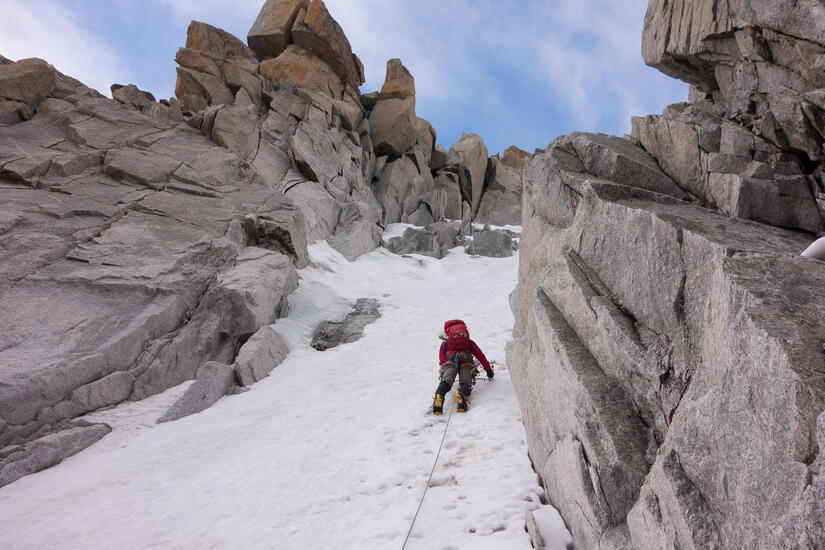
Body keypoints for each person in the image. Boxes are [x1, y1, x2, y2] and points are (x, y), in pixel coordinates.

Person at [433, 319, 493, 415]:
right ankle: (461, 394)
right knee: (465, 382)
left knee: (447, 381)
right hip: (466, 361)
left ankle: (439, 395)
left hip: (450, 361)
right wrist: (488, 370)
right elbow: (480, 355)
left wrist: (445, 368)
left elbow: (442, 359)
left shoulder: (446, 343)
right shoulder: (468, 342)